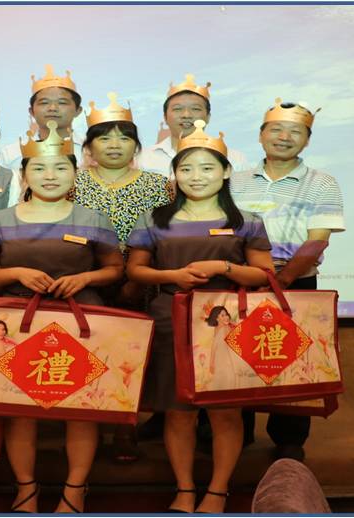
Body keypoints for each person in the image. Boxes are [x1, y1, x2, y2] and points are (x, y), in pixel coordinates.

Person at [0, 120, 123, 513]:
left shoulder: (93, 218)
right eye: (39, 168)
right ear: (24, 174)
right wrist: (16, 273)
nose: (50, 175)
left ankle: (75, 489)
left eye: (60, 168)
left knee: (81, 408)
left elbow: (115, 269)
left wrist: (85, 277)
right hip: (18, 324)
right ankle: (26, 488)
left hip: (81, 319)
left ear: (74, 173)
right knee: (20, 411)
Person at [126, 120, 274, 513]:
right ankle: (185, 488)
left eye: (207, 167)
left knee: (225, 412)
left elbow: (264, 274)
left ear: (225, 172)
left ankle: (218, 490)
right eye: (186, 168)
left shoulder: (246, 221)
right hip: (169, 318)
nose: (196, 176)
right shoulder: (154, 218)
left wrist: (224, 268)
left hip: (228, 323)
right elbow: (135, 270)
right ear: (174, 174)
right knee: (178, 413)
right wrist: (171, 276)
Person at [230, 97, 345, 462]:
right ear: (260, 135)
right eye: (276, 129)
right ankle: (236, 432)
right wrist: (250, 275)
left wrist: (280, 279)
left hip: (296, 282)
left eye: (295, 132)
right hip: (241, 281)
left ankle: (289, 438)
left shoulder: (322, 183)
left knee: (293, 361)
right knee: (235, 358)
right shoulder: (234, 181)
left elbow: (317, 240)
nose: (284, 137)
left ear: (307, 140)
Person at [73, 91, 172, 462]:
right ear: (89, 147)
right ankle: (86, 424)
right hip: (84, 282)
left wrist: (137, 280)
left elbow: (166, 237)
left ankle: (125, 428)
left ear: (136, 146)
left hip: (141, 283)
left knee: (131, 355)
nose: (114, 144)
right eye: (104, 137)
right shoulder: (71, 182)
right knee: (87, 353)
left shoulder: (159, 185)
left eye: (124, 137)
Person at [137, 73, 251, 180]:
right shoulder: (143, 159)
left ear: (208, 117)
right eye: (177, 109)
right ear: (165, 117)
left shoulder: (234, 158)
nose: (186, 115)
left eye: (195, 109)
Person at [0, 65, 85, 174]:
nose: (52, 108)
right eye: (44, 103)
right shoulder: (11, 154)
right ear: (31, 111)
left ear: (78, 110)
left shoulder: (92, 151)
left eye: (62, 102)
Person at [205, 306, 238, 386]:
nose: (226, 317)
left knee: (228, 379)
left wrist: (211, 363)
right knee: (224, 379)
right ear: (217, 318)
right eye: (222, 315)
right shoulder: (219, 329)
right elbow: (214, 346)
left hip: (227, 358)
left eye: (226, 314)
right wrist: (211, 363)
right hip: (221, 359)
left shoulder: (226, 327)